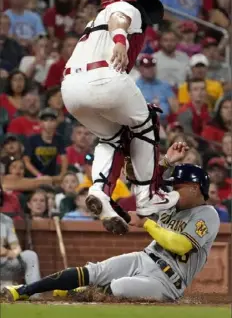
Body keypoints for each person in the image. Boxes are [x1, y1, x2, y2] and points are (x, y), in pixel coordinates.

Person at [3, 164, 220, 302]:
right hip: (144, 258)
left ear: (194, 188)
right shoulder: (169, 203)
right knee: (94, 270)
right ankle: (24, 289)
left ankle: (76, 292)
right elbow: (149, 186)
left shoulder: (208, 214)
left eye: (178, 186)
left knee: (119, 286)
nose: (172, 190)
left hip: (168, 282)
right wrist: (165, 162)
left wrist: (146, 224)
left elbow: (180, 245)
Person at [60, 0, 171, 235]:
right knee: (146, 122)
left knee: (111, 137)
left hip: (70, 89)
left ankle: (99, 190)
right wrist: (120, 42)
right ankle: (147, 195)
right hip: (103, 78)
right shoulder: (123, 6)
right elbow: (119, 19)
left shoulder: (92, 23)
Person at [23, 108, 68, 183]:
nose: (49, 123)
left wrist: (62, 175)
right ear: (40, 123)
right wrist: (40, 176)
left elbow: (64, 159)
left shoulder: (59, 139)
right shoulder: (32, 139)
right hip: (33, 179)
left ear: (56, 123)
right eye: (45, 120)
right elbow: (26, 161)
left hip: (51, 178)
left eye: (52, 120)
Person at [0, 213, 41, 288]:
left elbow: (16, 248)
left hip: (4, 264)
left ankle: (35, 294)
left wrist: (9, 252)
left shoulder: (6, 220)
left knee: (30, 255)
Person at [136, 55, 179, 121]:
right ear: (140, 69)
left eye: (153, 66)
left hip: (165, 121)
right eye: (147, 67)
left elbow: (175, 109)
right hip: (144, 123)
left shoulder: (164, 85)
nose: (151, 70)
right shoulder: (136, 87)